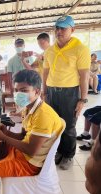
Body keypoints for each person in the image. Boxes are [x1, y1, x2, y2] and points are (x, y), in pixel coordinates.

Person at [0, 69, 64, 188]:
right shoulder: (28, 107)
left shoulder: (43, 115)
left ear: (37, 92)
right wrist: (5, 132)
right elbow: (23, 136)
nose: (18, 94)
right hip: (22, 152)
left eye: (24, 91)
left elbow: (31, 151)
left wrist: (3, 137)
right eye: (16, 90)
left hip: (30, 163)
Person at [43, 15, 91, 170]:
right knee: (54, 125)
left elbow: (84, 75)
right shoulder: (50, 50)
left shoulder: (81, 49)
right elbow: (45, 72)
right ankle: (58, 151)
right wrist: (44, 92)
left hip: (69, 93)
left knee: (69, 126)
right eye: (57, 28)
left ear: (73, 29)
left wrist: (82, 99)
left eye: (63, 28)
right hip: (51, 92)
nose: (59, 31)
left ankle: (68, 155)